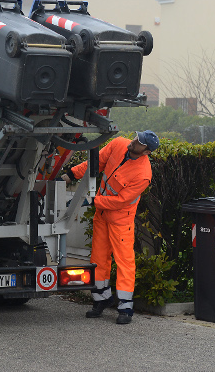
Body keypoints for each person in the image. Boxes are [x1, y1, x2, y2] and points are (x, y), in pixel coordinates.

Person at [62, 130, 159, 324]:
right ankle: (101, 299)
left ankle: (125, 307)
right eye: (136, 137)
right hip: (102, 216)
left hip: (121, 221)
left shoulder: (143, 174)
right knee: (98, 258)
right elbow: (95, 163)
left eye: (139, 142)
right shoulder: (118, 144)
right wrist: (71, 175)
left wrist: (93, 201)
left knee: (124, 262)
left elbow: (121, 201)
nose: (134, 141)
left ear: (146, 151)